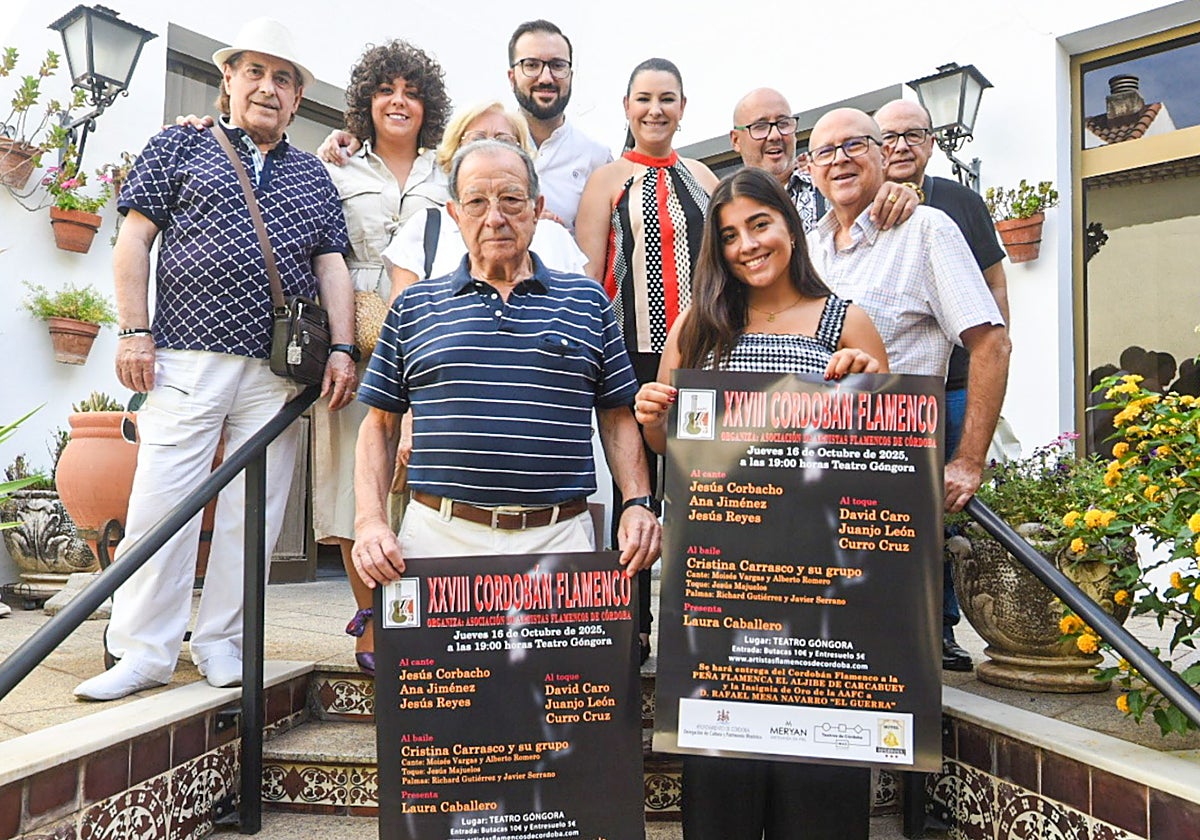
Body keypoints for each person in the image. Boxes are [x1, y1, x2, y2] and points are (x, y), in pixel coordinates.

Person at [74, 18, 356, 701]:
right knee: (160, 504)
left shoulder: (313, 174)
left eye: (283, 78)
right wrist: (133, 331)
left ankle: (224, 644)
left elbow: (331, 266)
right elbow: (133, 241)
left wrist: (344, 348)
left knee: (252, 517)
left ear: (297, 98)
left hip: (277, 371)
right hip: (183, 356)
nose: (268, 87)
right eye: (254, 72)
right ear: (227, 78)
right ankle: (143, 651)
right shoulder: (178, 143)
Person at [633, 167, 887, 840]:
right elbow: (670, 447)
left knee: (819, 786)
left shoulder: (846, 320)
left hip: (821, 586)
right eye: (728, 235)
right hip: (722, 585)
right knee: (725, 783)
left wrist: (867, 384)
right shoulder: (698, 326)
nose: (746, 245)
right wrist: (653, 414)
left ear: (790, 227)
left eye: (759, 224)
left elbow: (886, 456)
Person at [352, 139, 659, 591]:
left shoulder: (587, 301)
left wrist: (637, 502)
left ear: (537, 209)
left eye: (511, 200)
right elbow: (379, 426)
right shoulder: (415, 306)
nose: (495, 217)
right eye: (476, 202)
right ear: (456, 214)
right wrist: (370, 521)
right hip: (439, 539)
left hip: (559, 539)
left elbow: (617, 417)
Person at [313, 40, 452, 678]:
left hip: (435, 333)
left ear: (429, 106)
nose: (399, 102)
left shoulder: (447, 171)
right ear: (367, 101)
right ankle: (369, 617)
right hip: (357, 334)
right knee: (355, 481)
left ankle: (423, 619)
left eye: (412, 92)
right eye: (386, 90)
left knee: (421, 479)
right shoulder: (337, 168)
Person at [575, 57, 718, 663]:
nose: (655, 110)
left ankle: (700, 627)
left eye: (667, 99)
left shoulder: (704, 177)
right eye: (644, 99)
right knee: (634, 492)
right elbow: (588, 275)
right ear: (627, 107)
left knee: (704, 491)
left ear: (683, 108)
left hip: (700, 355)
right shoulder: (608, 179)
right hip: (628, 354)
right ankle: (631, 625)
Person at [804, 108, 1010, 515]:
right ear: (811, 170)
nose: (840, 159)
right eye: (825, 152)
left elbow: (992, 343)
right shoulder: (809, 249)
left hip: (898, 470)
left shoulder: (928, 230)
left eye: (854, 145)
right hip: (821, 473)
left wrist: (968, 461)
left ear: (882, 156)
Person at [876, 98, 1011, 672]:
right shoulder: (853, 210)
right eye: (889, 136)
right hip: (876, 403)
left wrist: (994, 350)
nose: (901, 146)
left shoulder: (959, 202)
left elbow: (995, 288)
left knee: (947, 511)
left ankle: (944, 628)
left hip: (951, 385)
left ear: (932, 143)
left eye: (914, 134)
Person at [382, 101, 585, 291]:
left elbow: (579, 306)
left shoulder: (554, 235)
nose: (490, 149)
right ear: (454, 151)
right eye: (477, 140)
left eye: (504, 141)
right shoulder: (426, 227)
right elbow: (406, 310)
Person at [730, 87, 919, 233]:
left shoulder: (830, 185)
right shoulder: (727, 207)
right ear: (736, 140)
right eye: (761, 126)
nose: (775, 135)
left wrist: (905, 191)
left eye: (783, 123)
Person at [506, 19, 611, 230]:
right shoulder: (487, 146)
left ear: (571, 76)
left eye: (557, 65)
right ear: (512, 77)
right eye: (531, 65)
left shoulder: (596, 158)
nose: (546, 78)